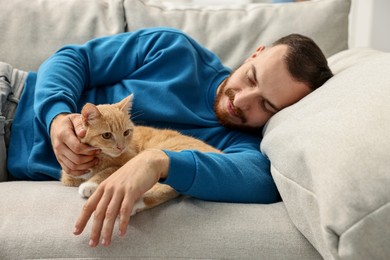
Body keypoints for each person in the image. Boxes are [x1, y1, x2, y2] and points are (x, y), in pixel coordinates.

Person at [0, 27, 333, 247]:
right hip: (14, 96)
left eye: (266, 104)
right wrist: (56, 117)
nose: (241, 100)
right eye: (251, 77)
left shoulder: (237, 142)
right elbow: (74, 58)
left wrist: (158, 161)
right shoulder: (174, 49)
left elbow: (259, 182)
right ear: (254, 54)